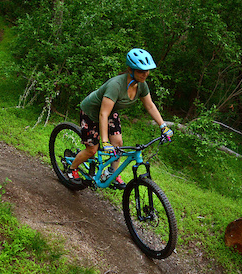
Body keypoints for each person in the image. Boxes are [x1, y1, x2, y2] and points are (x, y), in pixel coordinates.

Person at [68, 48, 173, 189]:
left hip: (111, 112)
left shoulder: (141, 85)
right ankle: (72, 168)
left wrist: (163, 126)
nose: (146, 74)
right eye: (141, 71)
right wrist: (104, 141)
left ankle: (111, 172)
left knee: (118, 144)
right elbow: (102, 114)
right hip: (91, 112)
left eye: (147, 70)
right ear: (130, 69)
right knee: (92, 150)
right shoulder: (115, 85)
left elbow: (150, 106)